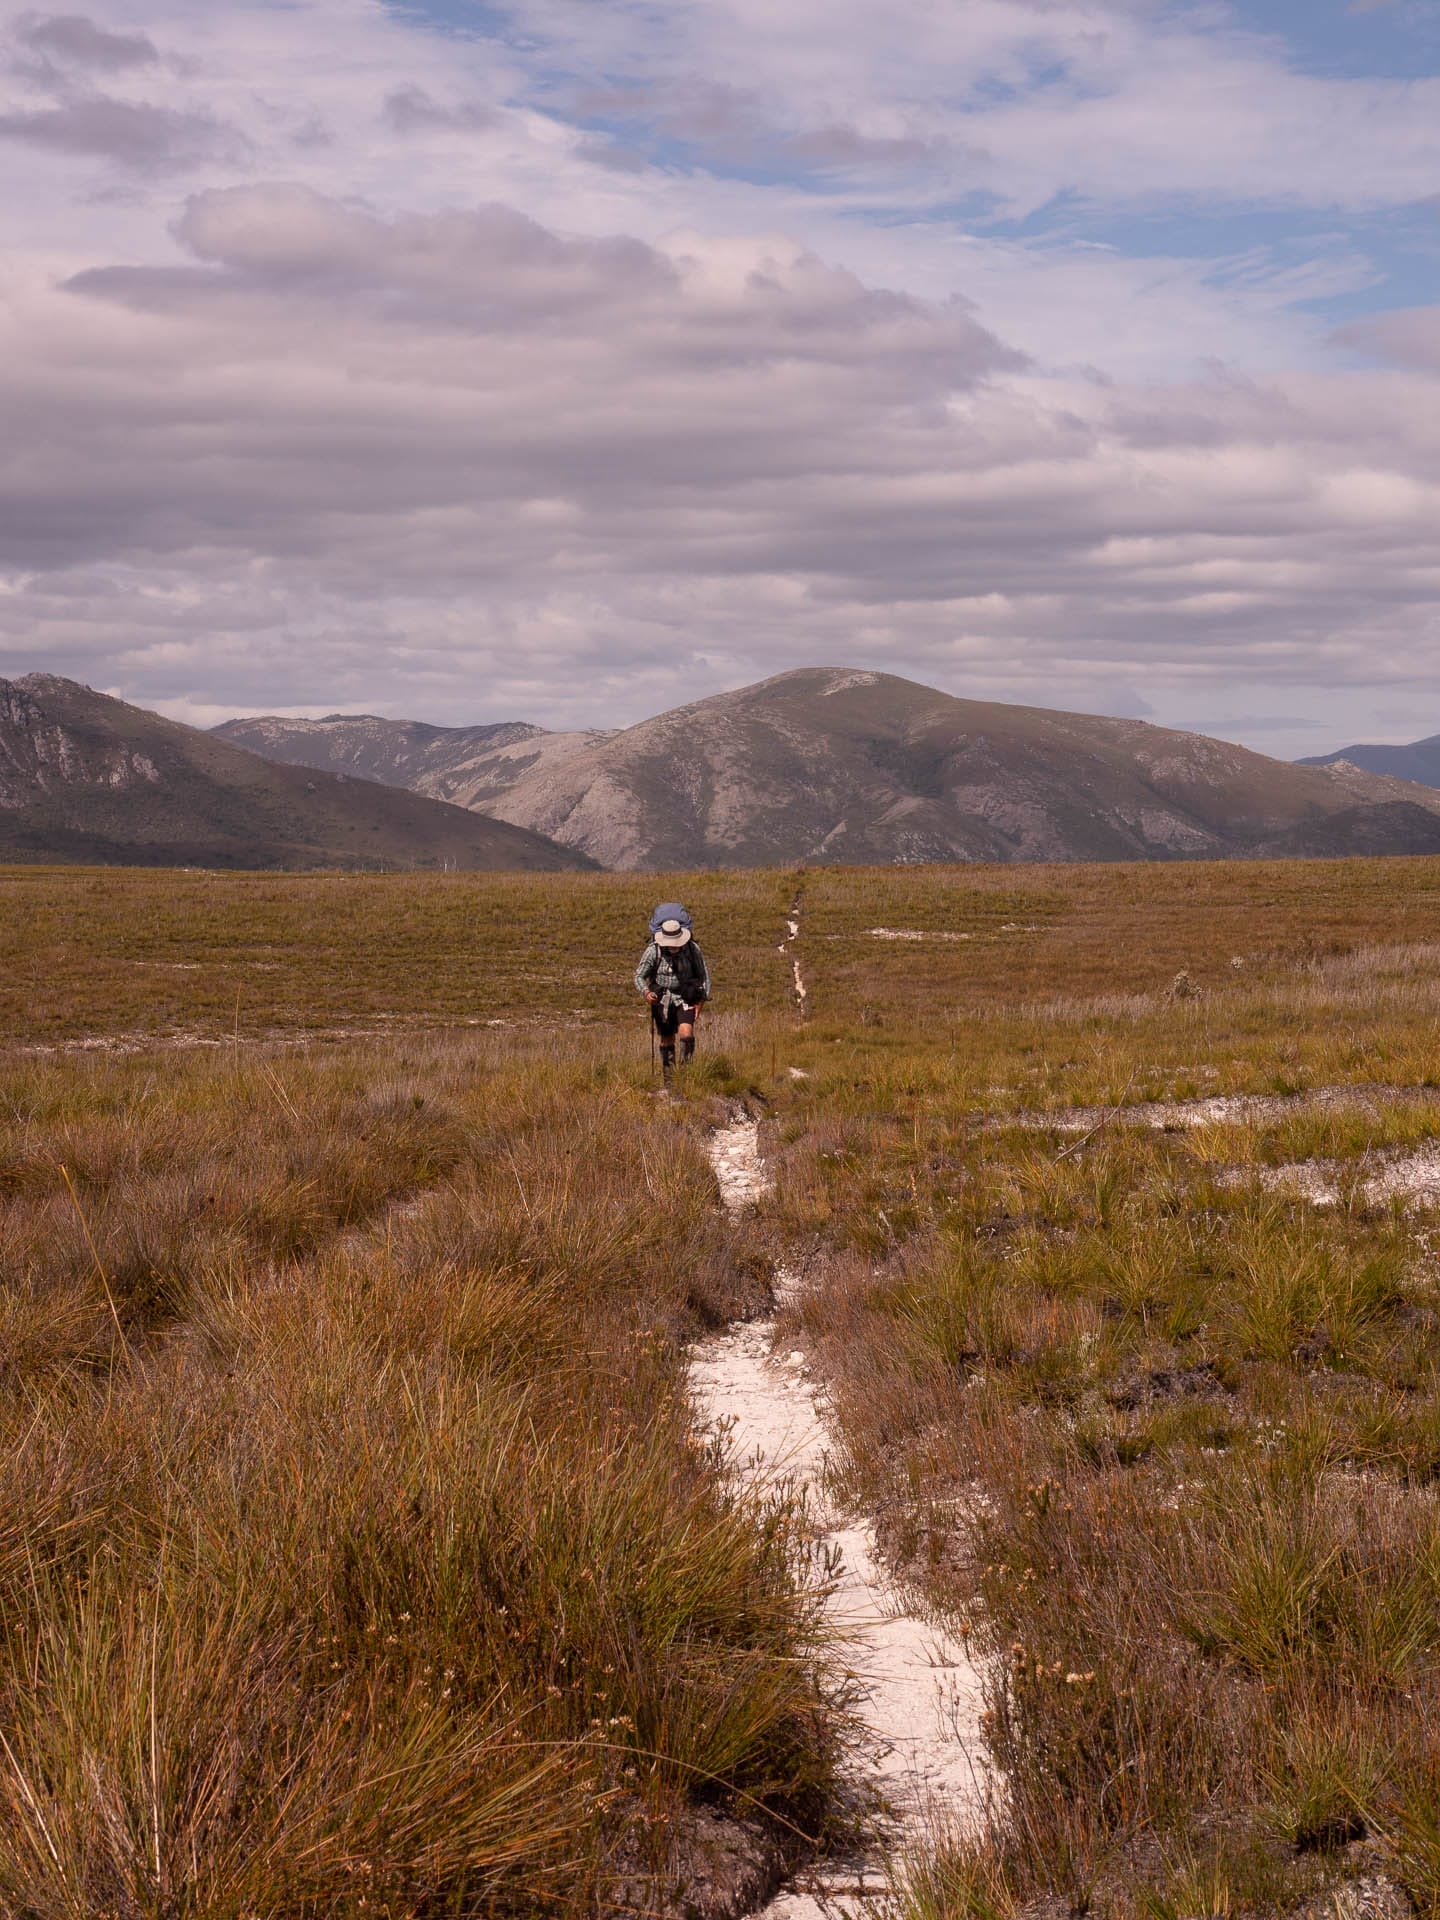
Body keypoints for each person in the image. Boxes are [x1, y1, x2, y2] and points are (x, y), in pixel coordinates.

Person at [635, 903, 710, 1087]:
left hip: (686, 998)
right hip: (663, 1000)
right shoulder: (654, 950)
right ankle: (669, 1080)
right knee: (667, 1038)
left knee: (686, 1033)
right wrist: (646, 992)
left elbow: (704, 975)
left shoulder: (692, 949)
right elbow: (638, 975)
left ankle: (685, 1077)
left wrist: (701, 1001)